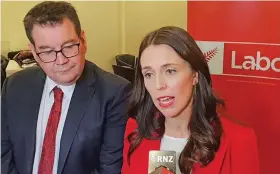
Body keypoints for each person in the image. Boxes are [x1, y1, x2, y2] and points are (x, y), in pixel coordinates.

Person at [1, 1, 130, 174]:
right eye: (47, 52)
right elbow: (3, 154)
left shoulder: (115, 93)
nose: (61, 61)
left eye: (69, 47)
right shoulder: (15, 86)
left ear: (83, 40)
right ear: (33, 52)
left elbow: (109, 169)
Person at [122, 26, 259, 174]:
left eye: (170, 71)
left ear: (195, 75)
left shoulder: (239, 140)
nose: (158, 85)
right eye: (148, 74)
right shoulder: (136, 130)